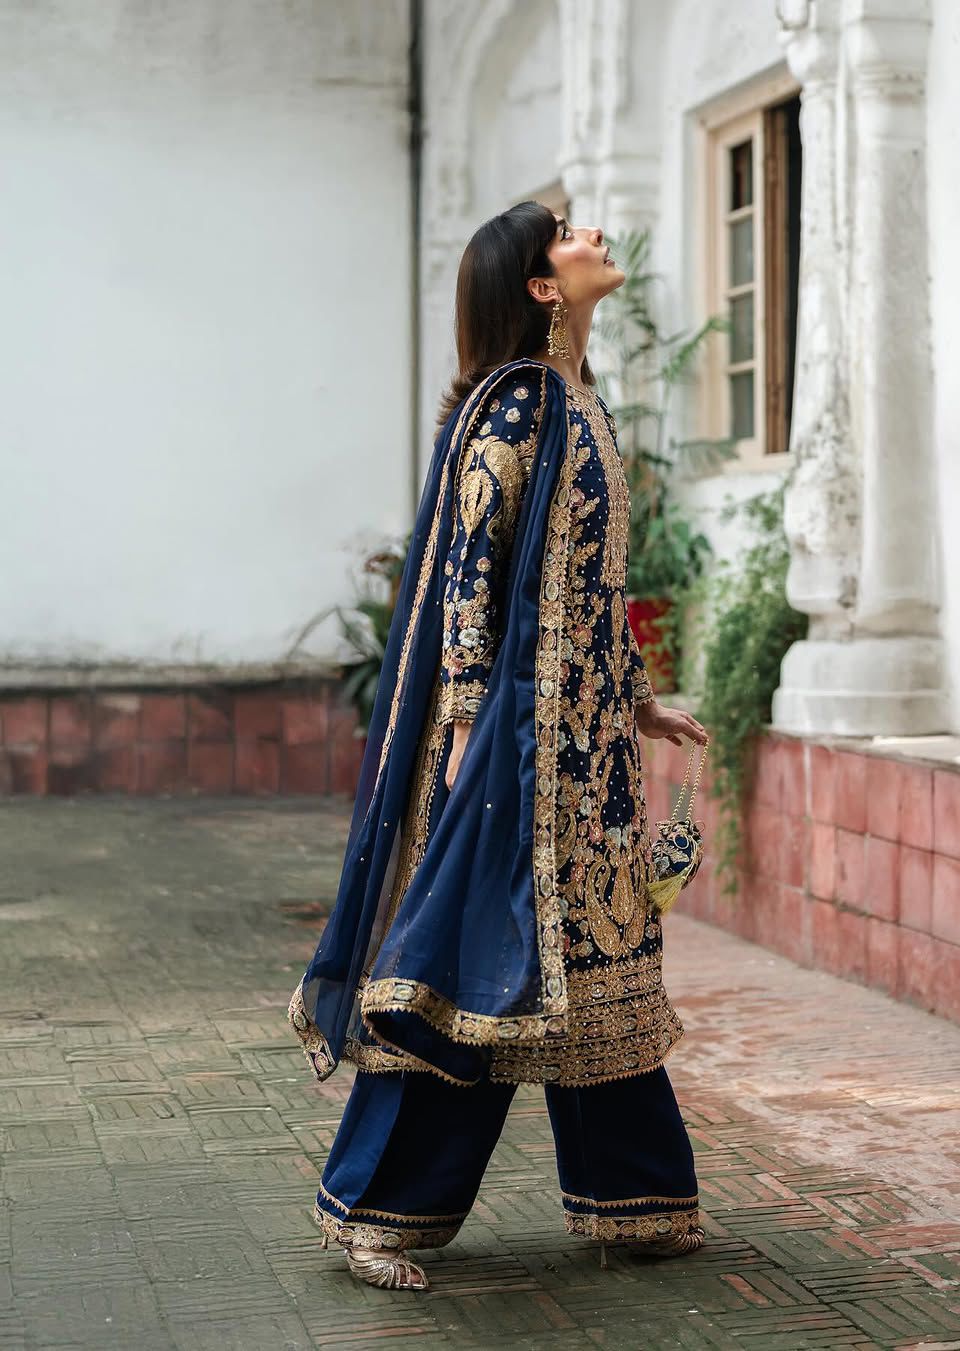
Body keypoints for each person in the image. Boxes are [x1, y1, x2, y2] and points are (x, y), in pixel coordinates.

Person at [288, 201, 710, 1291]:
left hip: (584, 750)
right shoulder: (518, 405)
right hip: (510, 753)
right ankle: (375, 1211)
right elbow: (470, 568)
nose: (592, 233)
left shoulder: (577, 398)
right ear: (540, 285)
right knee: (470, 975)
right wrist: (472, 724)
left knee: (598, 967)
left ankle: (637, 1198)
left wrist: (639, 702)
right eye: (567, 230)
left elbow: (586, 585)